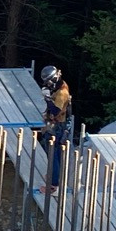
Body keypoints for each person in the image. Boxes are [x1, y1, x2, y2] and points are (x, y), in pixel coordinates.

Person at [39, 64, 71, 196]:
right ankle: (54, 176)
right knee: (54, 153)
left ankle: (54, 185)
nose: (48, 85)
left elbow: (55, 111)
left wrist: (47, 99)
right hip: (57, 124)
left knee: (53, 154)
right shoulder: (60, 86)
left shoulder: (62, 93)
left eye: (49, 82)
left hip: (56, 126)